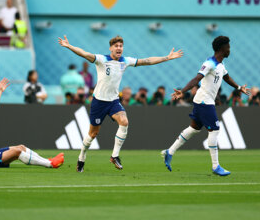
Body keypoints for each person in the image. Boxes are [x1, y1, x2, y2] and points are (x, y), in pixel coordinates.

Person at [58, 35, 183, 172]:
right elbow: (84, 53)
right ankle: (82, 157)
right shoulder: (102, 59)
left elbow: (147, 61)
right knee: (92, 135)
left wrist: (167, 57)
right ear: (111, 48)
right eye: (116, 46)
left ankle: (115, 156)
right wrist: (69, 46)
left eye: (121, 46)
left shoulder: (125, 61)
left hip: (113, 101)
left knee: (124, 121)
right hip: (99, 102)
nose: (119, 48)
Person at [162, 36, 250, 176]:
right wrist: (183, 91)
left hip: (203, 101)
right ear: (222, 48)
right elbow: (196, 78)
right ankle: (216, 166)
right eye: (228, 47)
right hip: (204, 101)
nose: (229, 49)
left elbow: (226, 78)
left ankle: (169, 151)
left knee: (194, 129)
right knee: (214, 129)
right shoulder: (209, 63)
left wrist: (239, 87)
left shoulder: (220, 65)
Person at [0, 78, 64, 168]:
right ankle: (50, 164)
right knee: (17, 151)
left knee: (21, 147)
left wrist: (0, 90)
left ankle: (47, 160)